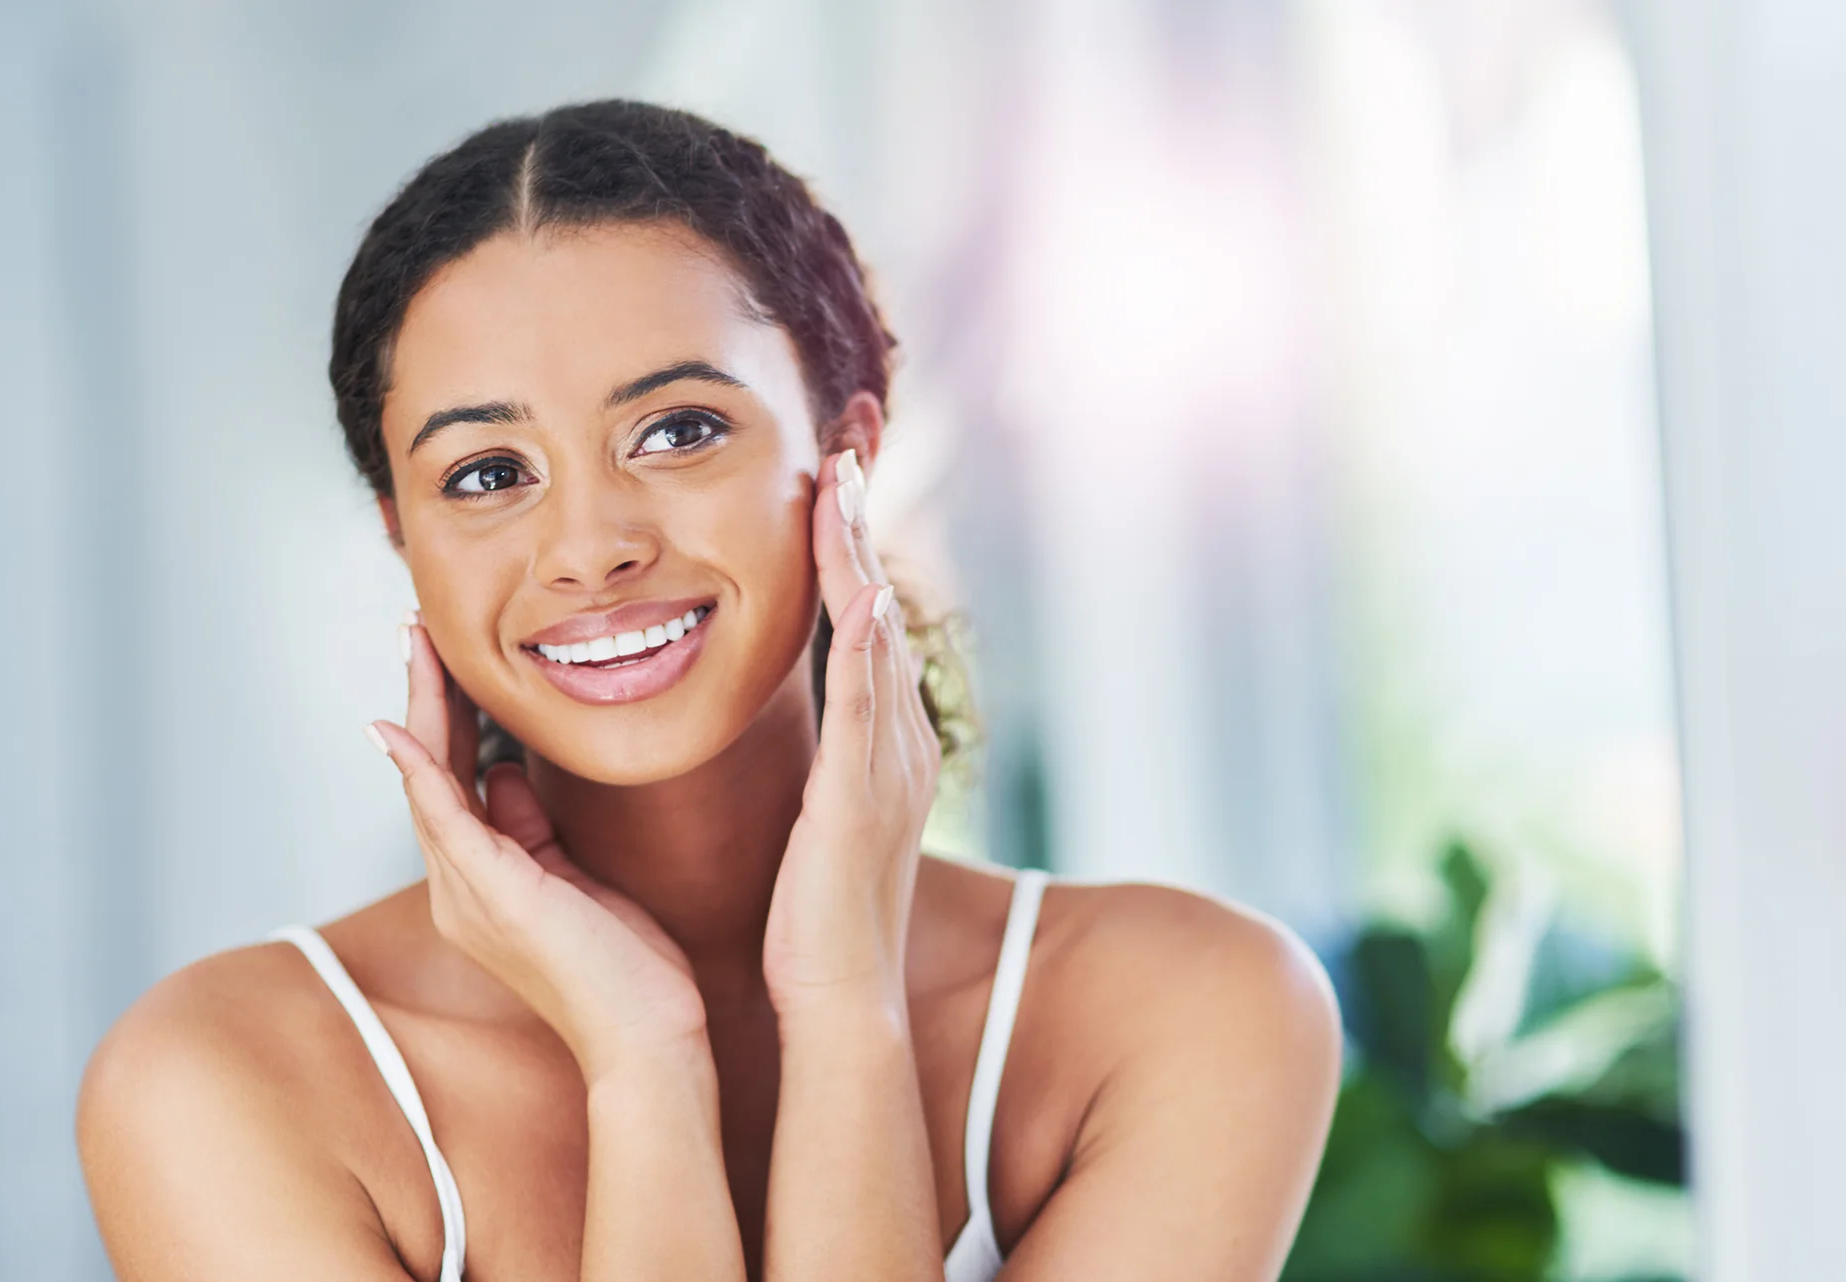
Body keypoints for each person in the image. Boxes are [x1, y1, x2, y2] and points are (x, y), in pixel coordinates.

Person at [76, 99, 1341, 1281]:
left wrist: (849, 1015)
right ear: (403, 532)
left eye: (677, 429)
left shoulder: (1193, 1015)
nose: (587, 545)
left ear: (847, 452)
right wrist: (643, 1064)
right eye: (484, 472)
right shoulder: (226, 1082)